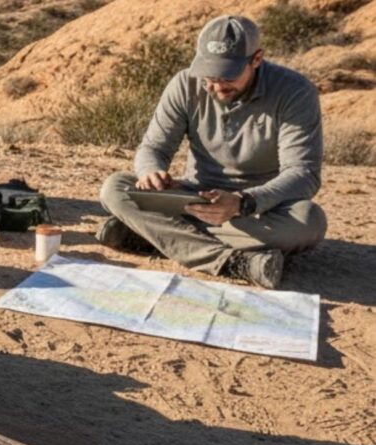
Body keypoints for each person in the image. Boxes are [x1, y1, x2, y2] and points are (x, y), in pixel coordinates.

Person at [97, 15, 326, 289]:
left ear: (257, 59)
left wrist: (243, 202)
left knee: (308, 220)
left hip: (256, 210)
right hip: (193, 200)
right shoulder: (185, 84)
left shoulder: (295, 92)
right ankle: (235, 263)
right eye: (209, 75)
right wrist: (151, 172)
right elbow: (153, 148)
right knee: (115, 188)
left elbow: (303, 173)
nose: (217, 86)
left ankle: (157, 236)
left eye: (228, 75)